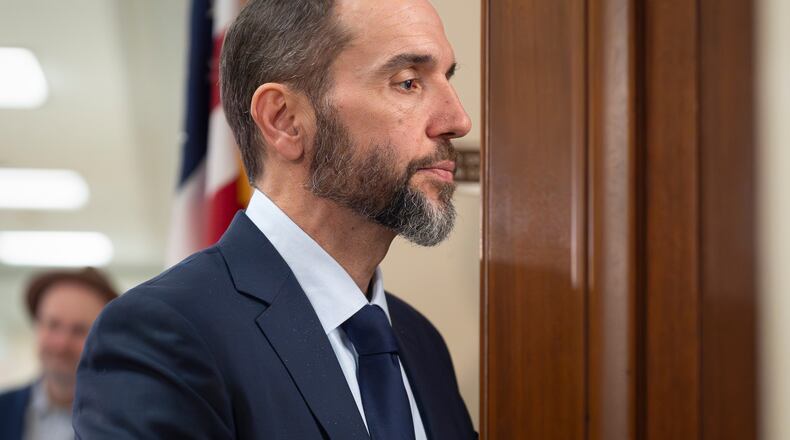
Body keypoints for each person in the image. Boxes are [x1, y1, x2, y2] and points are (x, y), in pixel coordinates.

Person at [73, 0, 476, 438]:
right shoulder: (163, 335)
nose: (458, 121)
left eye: (447, 79)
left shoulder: (421, 344)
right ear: (284, 120)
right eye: (408, 82)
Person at [0, 267, 118, 440]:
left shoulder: (125, 424)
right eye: (53, 325)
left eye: (79, 330)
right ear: (37, 327)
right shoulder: (3, 409)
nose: (61, 343)